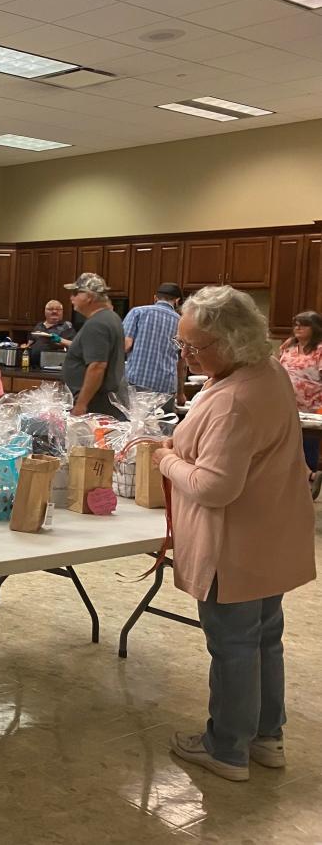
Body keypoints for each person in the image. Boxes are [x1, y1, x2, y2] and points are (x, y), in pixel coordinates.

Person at [150, 285, 315, 782]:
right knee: (266, 638)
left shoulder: (235, 398)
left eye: (194, 346)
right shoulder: (266, 373)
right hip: (272, 533)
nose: (187, 355)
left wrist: (167, 458)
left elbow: (215, 487)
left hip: (235, 542)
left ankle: (226, 748)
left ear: (230, 341)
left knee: (235, 645)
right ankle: (267, 738)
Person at [62, 273, 127, 417]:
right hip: (105, 401)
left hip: (96, 404)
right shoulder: (110, 317)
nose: (71, 298)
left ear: (88, 296)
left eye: (75, 293)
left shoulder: (97, 323)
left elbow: (97, 366)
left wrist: (81, 405)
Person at [124, 282, 184, 416]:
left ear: (155, 298)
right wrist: (181, 393)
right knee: (162, 428)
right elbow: (182, 360)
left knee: (137, 427)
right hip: (166, 386)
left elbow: (126, 345)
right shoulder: (181, 321)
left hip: (138, 381)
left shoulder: (138, 312)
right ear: (177, 300)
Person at [277, 310, 322, 491]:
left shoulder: (319, 350)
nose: (297, 327)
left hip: (312, 407)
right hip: (286, 404)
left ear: (315, 328)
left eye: (303, 324)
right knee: (287, 443)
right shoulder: (288, 348)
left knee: (307, 444)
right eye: (295, 323)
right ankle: (301, 479)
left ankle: (308, 482)